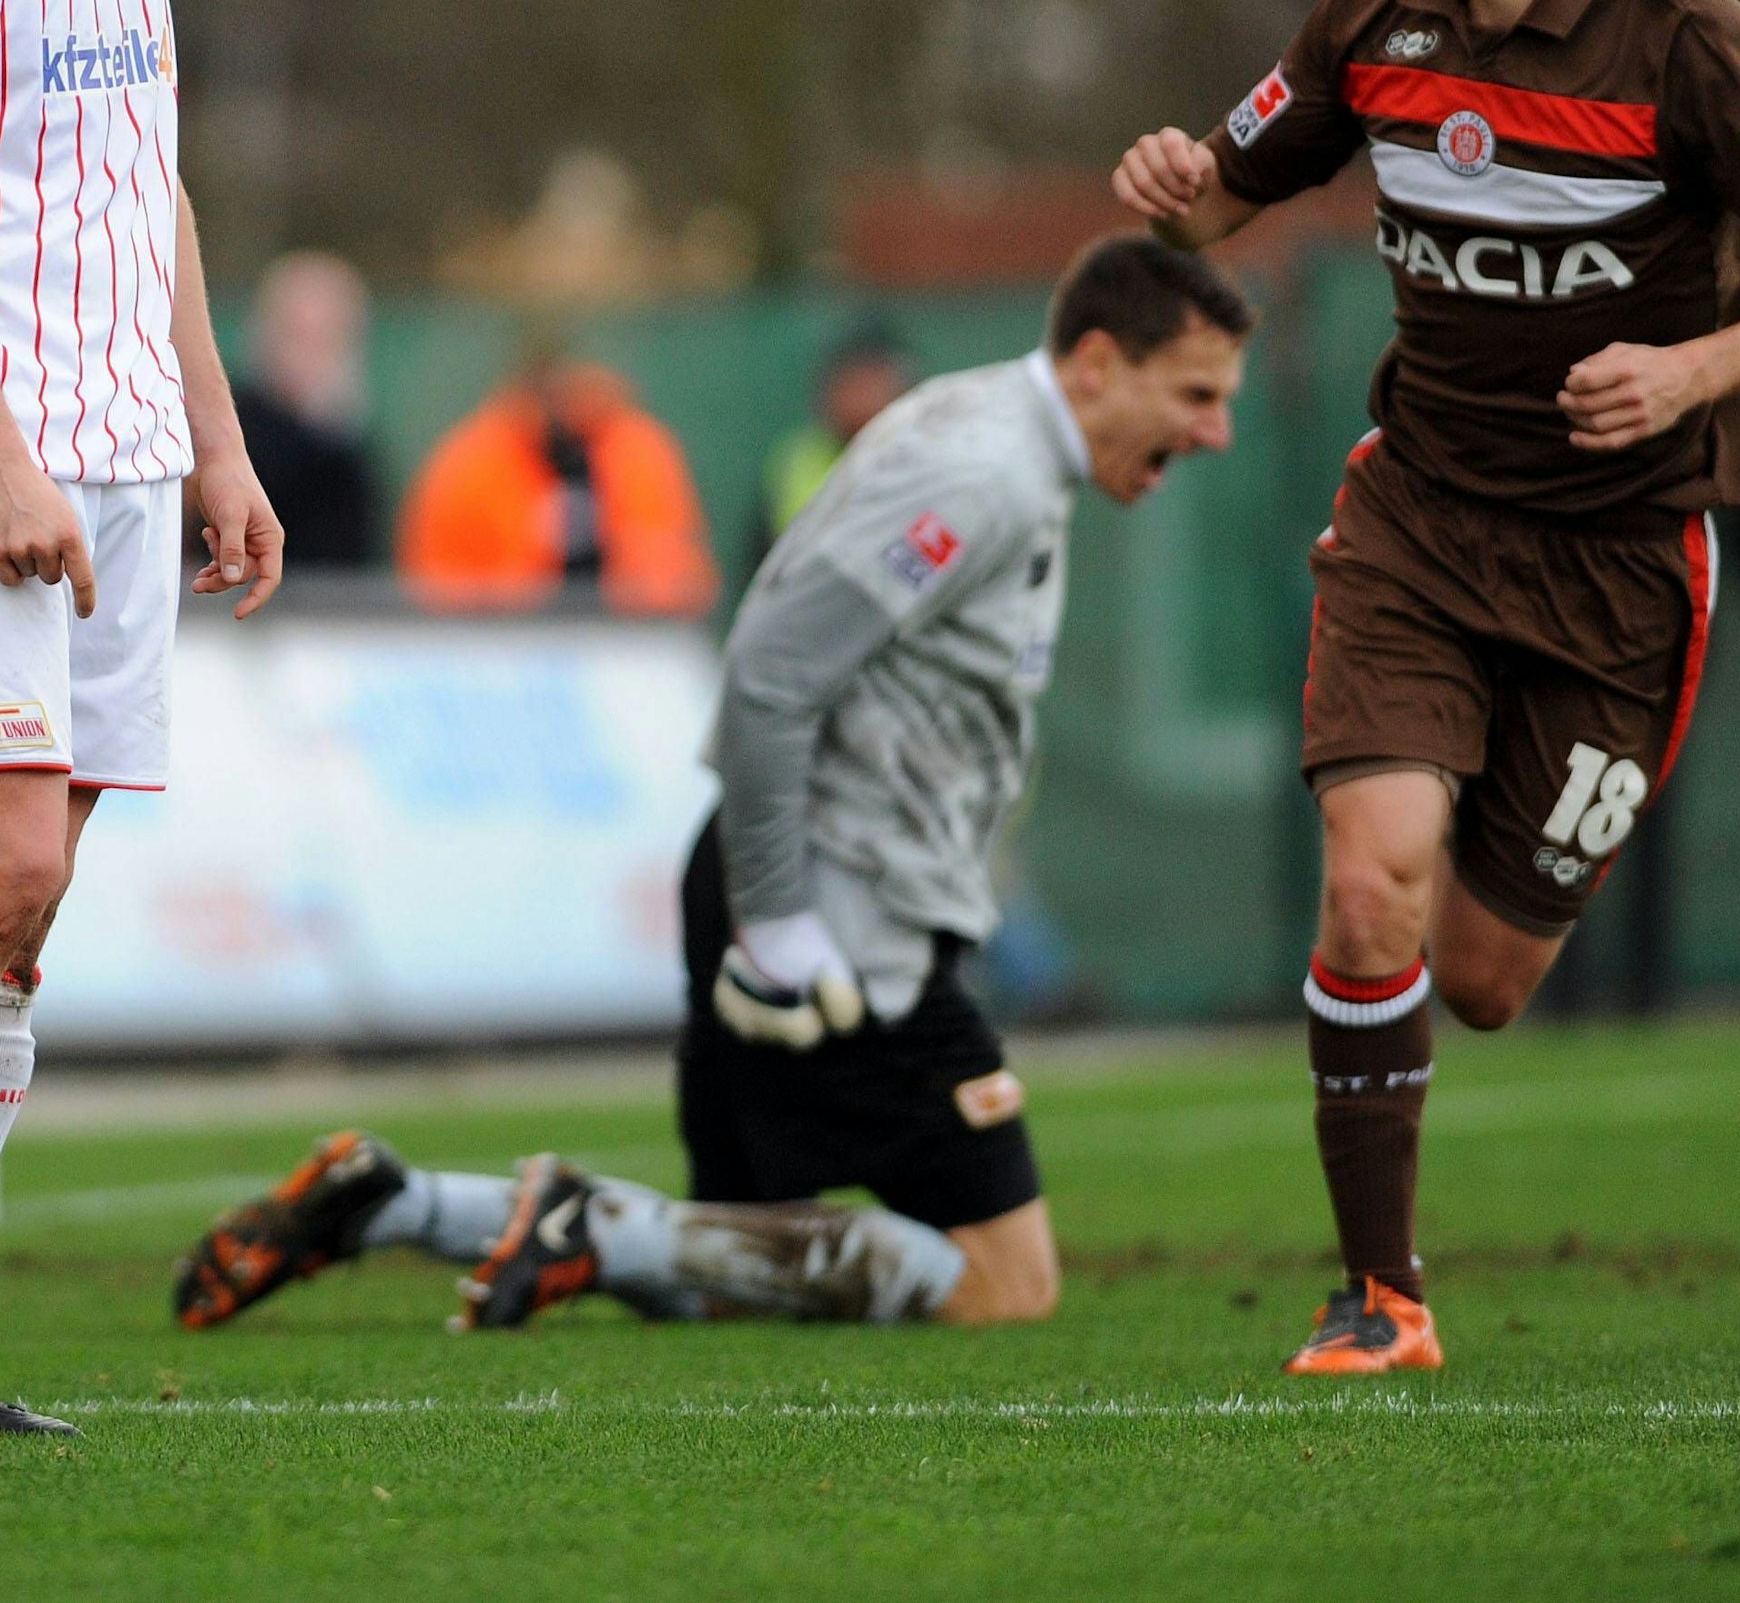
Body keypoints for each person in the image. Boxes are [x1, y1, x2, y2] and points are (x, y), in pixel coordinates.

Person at [1113, 0, 1740, 1377]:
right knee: (1371, 885)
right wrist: (1181, 175)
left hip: (1619, 569)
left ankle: (1479, 892)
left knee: (1480, 977)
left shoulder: (1694, 44)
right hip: (1423, 521)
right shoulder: (1378, 15)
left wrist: (1691, 365)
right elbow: (1228, 201)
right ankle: (1380, 1299)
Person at [173, 237, 1250, 1334]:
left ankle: (398, 1203)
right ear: (1100, 363)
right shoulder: (981, 471)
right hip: (839, 912)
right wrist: (782, 923)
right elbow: (774, 672)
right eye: (1196, 395)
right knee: (1005, 1282)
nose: (1213, 430)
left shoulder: (992, 436)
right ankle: (584, 1228)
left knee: (736, 1264)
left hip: (803, 882)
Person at [0, 0, 283, 1434]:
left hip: (118, 441)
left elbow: (148, 174)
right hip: (9, 452)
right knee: (6, 857)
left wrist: (217, 434)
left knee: (36, 894)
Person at [396, 348, 718, 617]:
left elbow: (678, 578)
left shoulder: (640, 452)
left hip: (626, 654)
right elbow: (436, 589)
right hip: (500, 660)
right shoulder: (469, 463)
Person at [225, 251, 377, 567]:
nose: (309, 357)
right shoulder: (227, 438)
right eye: (298, 336)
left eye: (326, 338)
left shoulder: (350, 450)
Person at [750, 318, 913, 573]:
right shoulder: (797, 458)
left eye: (872, 382)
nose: (860, 397)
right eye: (851, 383)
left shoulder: (926, 457)